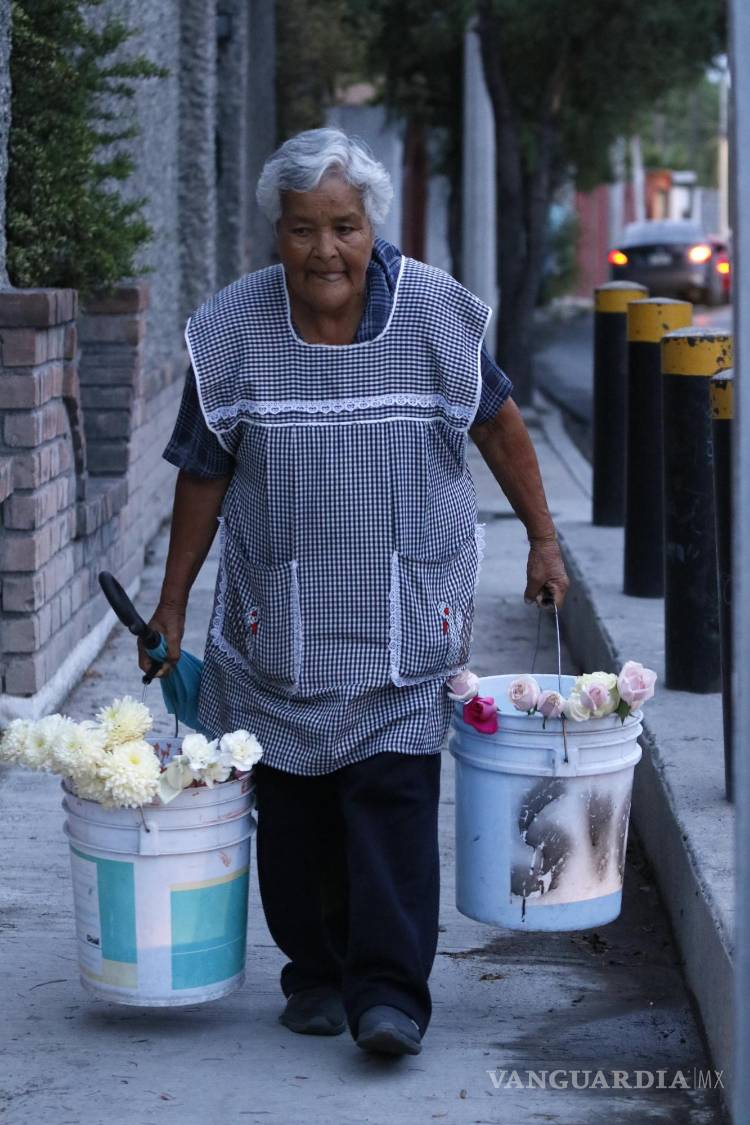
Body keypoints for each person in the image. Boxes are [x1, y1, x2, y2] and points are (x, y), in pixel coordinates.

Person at [139, 127, 569, 1057]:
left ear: (370, 224)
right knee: (292, 817)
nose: (323, 251)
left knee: (392, 805)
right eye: (301, 229)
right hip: (277, 620)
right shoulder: (231, 328)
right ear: (276, 232)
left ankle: (389, 996)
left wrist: (542, 537)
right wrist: (172, 601)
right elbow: (203, 472)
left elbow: (499, 427)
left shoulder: (434, 315)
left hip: (404, 615)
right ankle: (316, 973)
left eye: (342, 226)